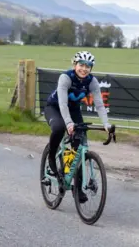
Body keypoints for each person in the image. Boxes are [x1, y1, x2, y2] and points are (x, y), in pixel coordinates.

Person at [42, 51, 112, 204]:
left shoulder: (92, 82)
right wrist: (68, 123)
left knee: (78, 147)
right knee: (59, 128)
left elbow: (100, 104)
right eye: (81, 65)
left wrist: (106, 124)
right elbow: (62, 103)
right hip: (55, 108)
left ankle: (76, 187)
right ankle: (52, 157)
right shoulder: (66, 77)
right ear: (75, 65)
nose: (84, 69)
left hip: (73, 110)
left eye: (88, 66)